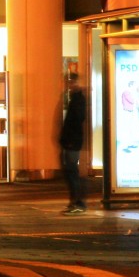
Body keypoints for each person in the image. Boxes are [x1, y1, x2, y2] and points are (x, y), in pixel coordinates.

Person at [59, 72, 87, 214]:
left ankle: (78, 203)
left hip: (72, 142)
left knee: (72, 172)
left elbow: (76, 121)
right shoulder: (75, 98)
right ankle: (75, 202)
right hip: (70, 141)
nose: (69, 85)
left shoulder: (78, 99)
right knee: (70, 172)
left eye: (71, 82)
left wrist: (69, 140)